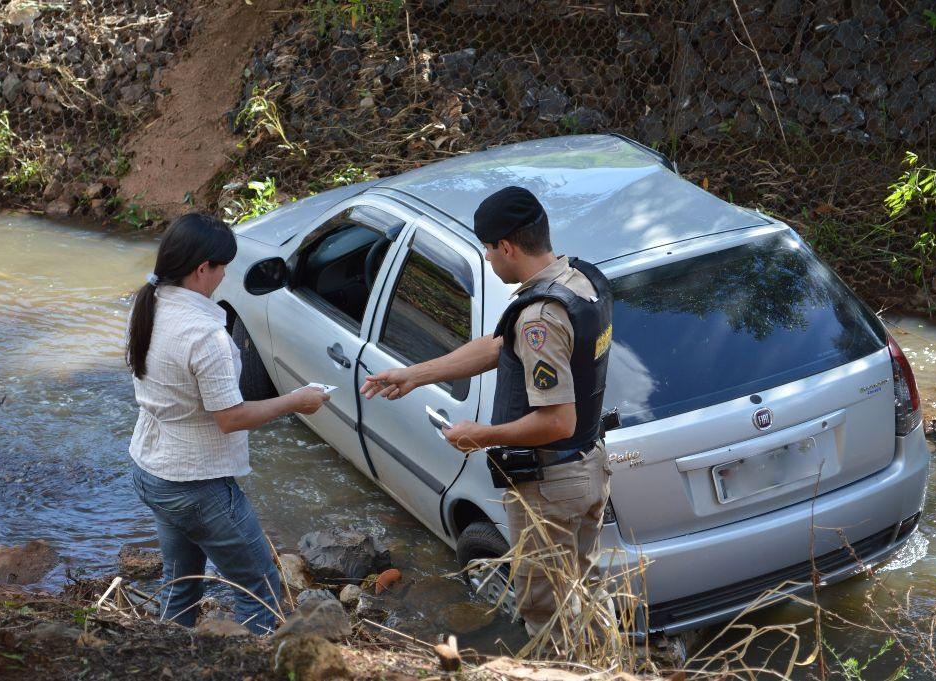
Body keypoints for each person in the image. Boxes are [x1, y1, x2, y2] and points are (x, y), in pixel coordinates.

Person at [360, 186, 613, 637]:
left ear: (507, 247)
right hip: (586, 467)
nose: (489, 258)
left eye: (489, 249)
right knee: (584, 593)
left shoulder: (539, 318)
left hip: (551, 485)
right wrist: (415, 375)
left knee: (547, 611)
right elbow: (498, 346)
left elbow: (558, 420)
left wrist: (483, 435)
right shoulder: (580, 280)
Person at [126, 213, 329, 634]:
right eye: (222, 267)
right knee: (260, 589)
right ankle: (256, 664)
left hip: (152, 471)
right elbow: (230, 418)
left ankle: (164, 656)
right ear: (203, 269)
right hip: (197, 484)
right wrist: (295, 401)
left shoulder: (148, 303)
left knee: (180, 585)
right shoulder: (206, 335)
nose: (224, 276)